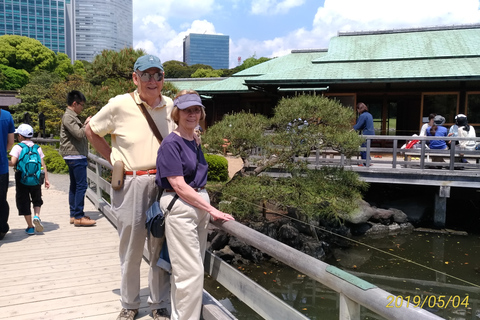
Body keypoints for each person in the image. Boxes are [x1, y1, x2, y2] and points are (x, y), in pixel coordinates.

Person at [85, 54, 176, 320]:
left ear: (162, 79)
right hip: (132, 181)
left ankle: (159, 303)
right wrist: (113, 159)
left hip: (163, 183)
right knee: (131, 247)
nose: (152, 81)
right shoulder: (119, 104)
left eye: (157, 75)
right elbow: (91, 130)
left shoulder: (171, 106)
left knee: (159, 245)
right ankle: (130, 303)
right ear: (135, 78)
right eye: (145, 75)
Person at [156, 90, 234, 320]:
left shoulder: (194, 139)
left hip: (197, 206)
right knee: (190, 272)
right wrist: (213, 210)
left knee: (189, 270)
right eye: (187, 110)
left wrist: (207, 209)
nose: (192, 114)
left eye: (196, 110)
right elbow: (178, 185)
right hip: (181, 207)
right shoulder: (171, 143)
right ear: (177, 113)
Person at [59, 90, 95, 227]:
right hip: (75, 155)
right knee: (81, 185)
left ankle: (74, 214)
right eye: (81, 105)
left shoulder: (71, 116)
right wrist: (87, 124)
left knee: (74, 186)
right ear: (75, 103)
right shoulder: (68, 117)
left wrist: (83, 123)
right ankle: (79, 216)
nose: (82, 108)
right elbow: (79, 134)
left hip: (73, 155)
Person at [9, 124, 50, 235]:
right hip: (36, 178)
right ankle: (37, 216)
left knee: (24, 201)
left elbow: (12, 163)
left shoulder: (18, 147)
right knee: (36, 198)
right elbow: (43, 165)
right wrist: (46, 179)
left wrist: (4, 161)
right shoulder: (37, 148)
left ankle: (30, 227)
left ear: (21, 136)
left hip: (22, 177)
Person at [0, 108, 15, 240]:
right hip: (1, 166)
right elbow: (11, 142)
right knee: (1, 199)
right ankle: (2, 228)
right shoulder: (6, 116)